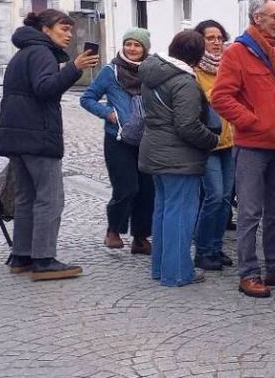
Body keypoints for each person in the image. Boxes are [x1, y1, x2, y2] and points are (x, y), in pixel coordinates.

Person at [211, 0, 275, 298]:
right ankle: (249, 273)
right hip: (253, 144)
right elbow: (221, 97)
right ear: (257, 18)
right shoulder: (237, 52)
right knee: (250, 213)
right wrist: (252, 122)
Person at [0, 10, 99, 281]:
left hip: (17, 136)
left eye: (70, 29)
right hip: (37, 136)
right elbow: (45, 89)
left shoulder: (23, 53)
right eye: (63, 28)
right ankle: (43, 259)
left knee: (26, 197)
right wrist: (74, 68)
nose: (69, 34)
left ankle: (21, 256)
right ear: (45, 29)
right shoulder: (42, 53)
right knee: (50, 198)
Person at [139, 31, 221, 287]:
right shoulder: (184, 81)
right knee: (180, 214)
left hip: (155, 150)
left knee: (163, 211)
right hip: (179, 156)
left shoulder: (153, 73)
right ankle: (177, 272)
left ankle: (161, 268)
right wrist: (212, 140)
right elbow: (187, 125)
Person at [80, 27, 155, 255]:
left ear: (144, 49)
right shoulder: (110, 72)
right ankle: (114, 230)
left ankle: (140, 238)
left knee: (147, 190)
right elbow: (87, 98)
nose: (131, 49)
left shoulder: (152, 71)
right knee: (126, 187)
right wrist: (107, 113)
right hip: (118, 138)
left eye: (137, 45)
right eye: (128, 44)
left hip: (146, 139)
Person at [192, 19, 236, 271]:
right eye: (210, 38)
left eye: (219, 37)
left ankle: (216, 248)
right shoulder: (195, 70)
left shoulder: (227, 66)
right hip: (208, 143)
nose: (217, 42)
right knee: (214, 195)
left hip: (230, 140)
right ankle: (203, 249)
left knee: (225, 199)